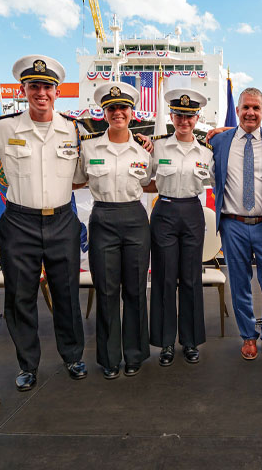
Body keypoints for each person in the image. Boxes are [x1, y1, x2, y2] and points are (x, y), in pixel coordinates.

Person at [0, 55, 87, 390]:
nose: (40, 92)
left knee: (67, 294)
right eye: (34, 86)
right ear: (24, 89)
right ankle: (27, 364)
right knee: (20, 296)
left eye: (47, 86)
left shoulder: (74, 129)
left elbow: (85, 173)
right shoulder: (2, 128)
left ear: (57, 92)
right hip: (19, 221)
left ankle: (72, 356)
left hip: (61, 220)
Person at [75, 82, 151, 379]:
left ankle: (134, 354)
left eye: (123, 108)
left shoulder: (145, 149)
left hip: (134, 218)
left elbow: (151, 181)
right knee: (106, 291)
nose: (117, 112)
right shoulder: (89, 147)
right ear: (104, 113)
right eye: (112, 108)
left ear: (132, 113)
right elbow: (78, 179)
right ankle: (109, 358)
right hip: (103, 217)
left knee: (135, 290)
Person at [209, 87, 262, 362]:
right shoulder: (220, 142)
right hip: (233, 224)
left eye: (256, 108)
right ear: (237, 111)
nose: (250, 113)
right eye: (246, 107)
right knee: (240, 284)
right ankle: (248, 337)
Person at [149, 88, 214, 366]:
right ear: (172, 117)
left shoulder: (206, 152)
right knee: (164, 278)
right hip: (164, 211)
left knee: (190, 278)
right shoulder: (157, 147)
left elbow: (218, 180)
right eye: (179, 115)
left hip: (192, 211)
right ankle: (165, 342)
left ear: (197, 118)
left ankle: (189, 341)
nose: (184, 121)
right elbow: (143, 176)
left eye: (189, 116)